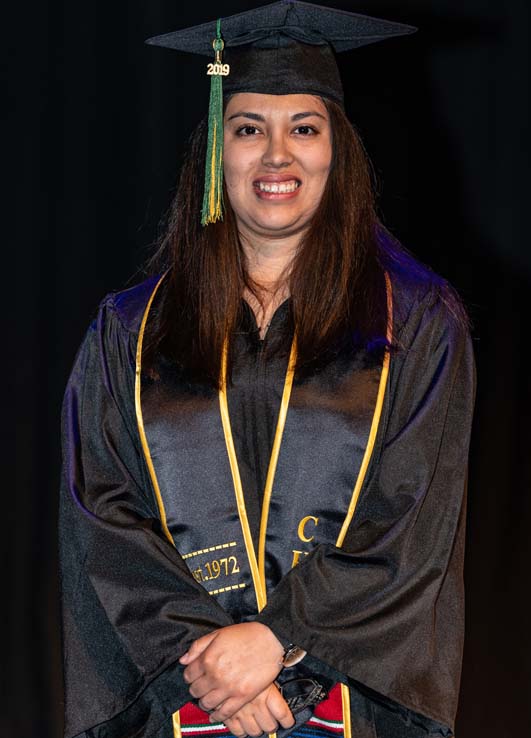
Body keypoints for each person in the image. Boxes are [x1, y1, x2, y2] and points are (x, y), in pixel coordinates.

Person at [58, 3, 476, 738]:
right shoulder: (129, 330)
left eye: (304, 129)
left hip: (350, 702)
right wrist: (216, 667)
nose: (277, 156)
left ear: (337, 150)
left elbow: (415, 521)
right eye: (249, 128)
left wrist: (275, 636)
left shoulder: (413, 322)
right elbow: (102, 518)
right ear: (215, 151)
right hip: (179, 698)